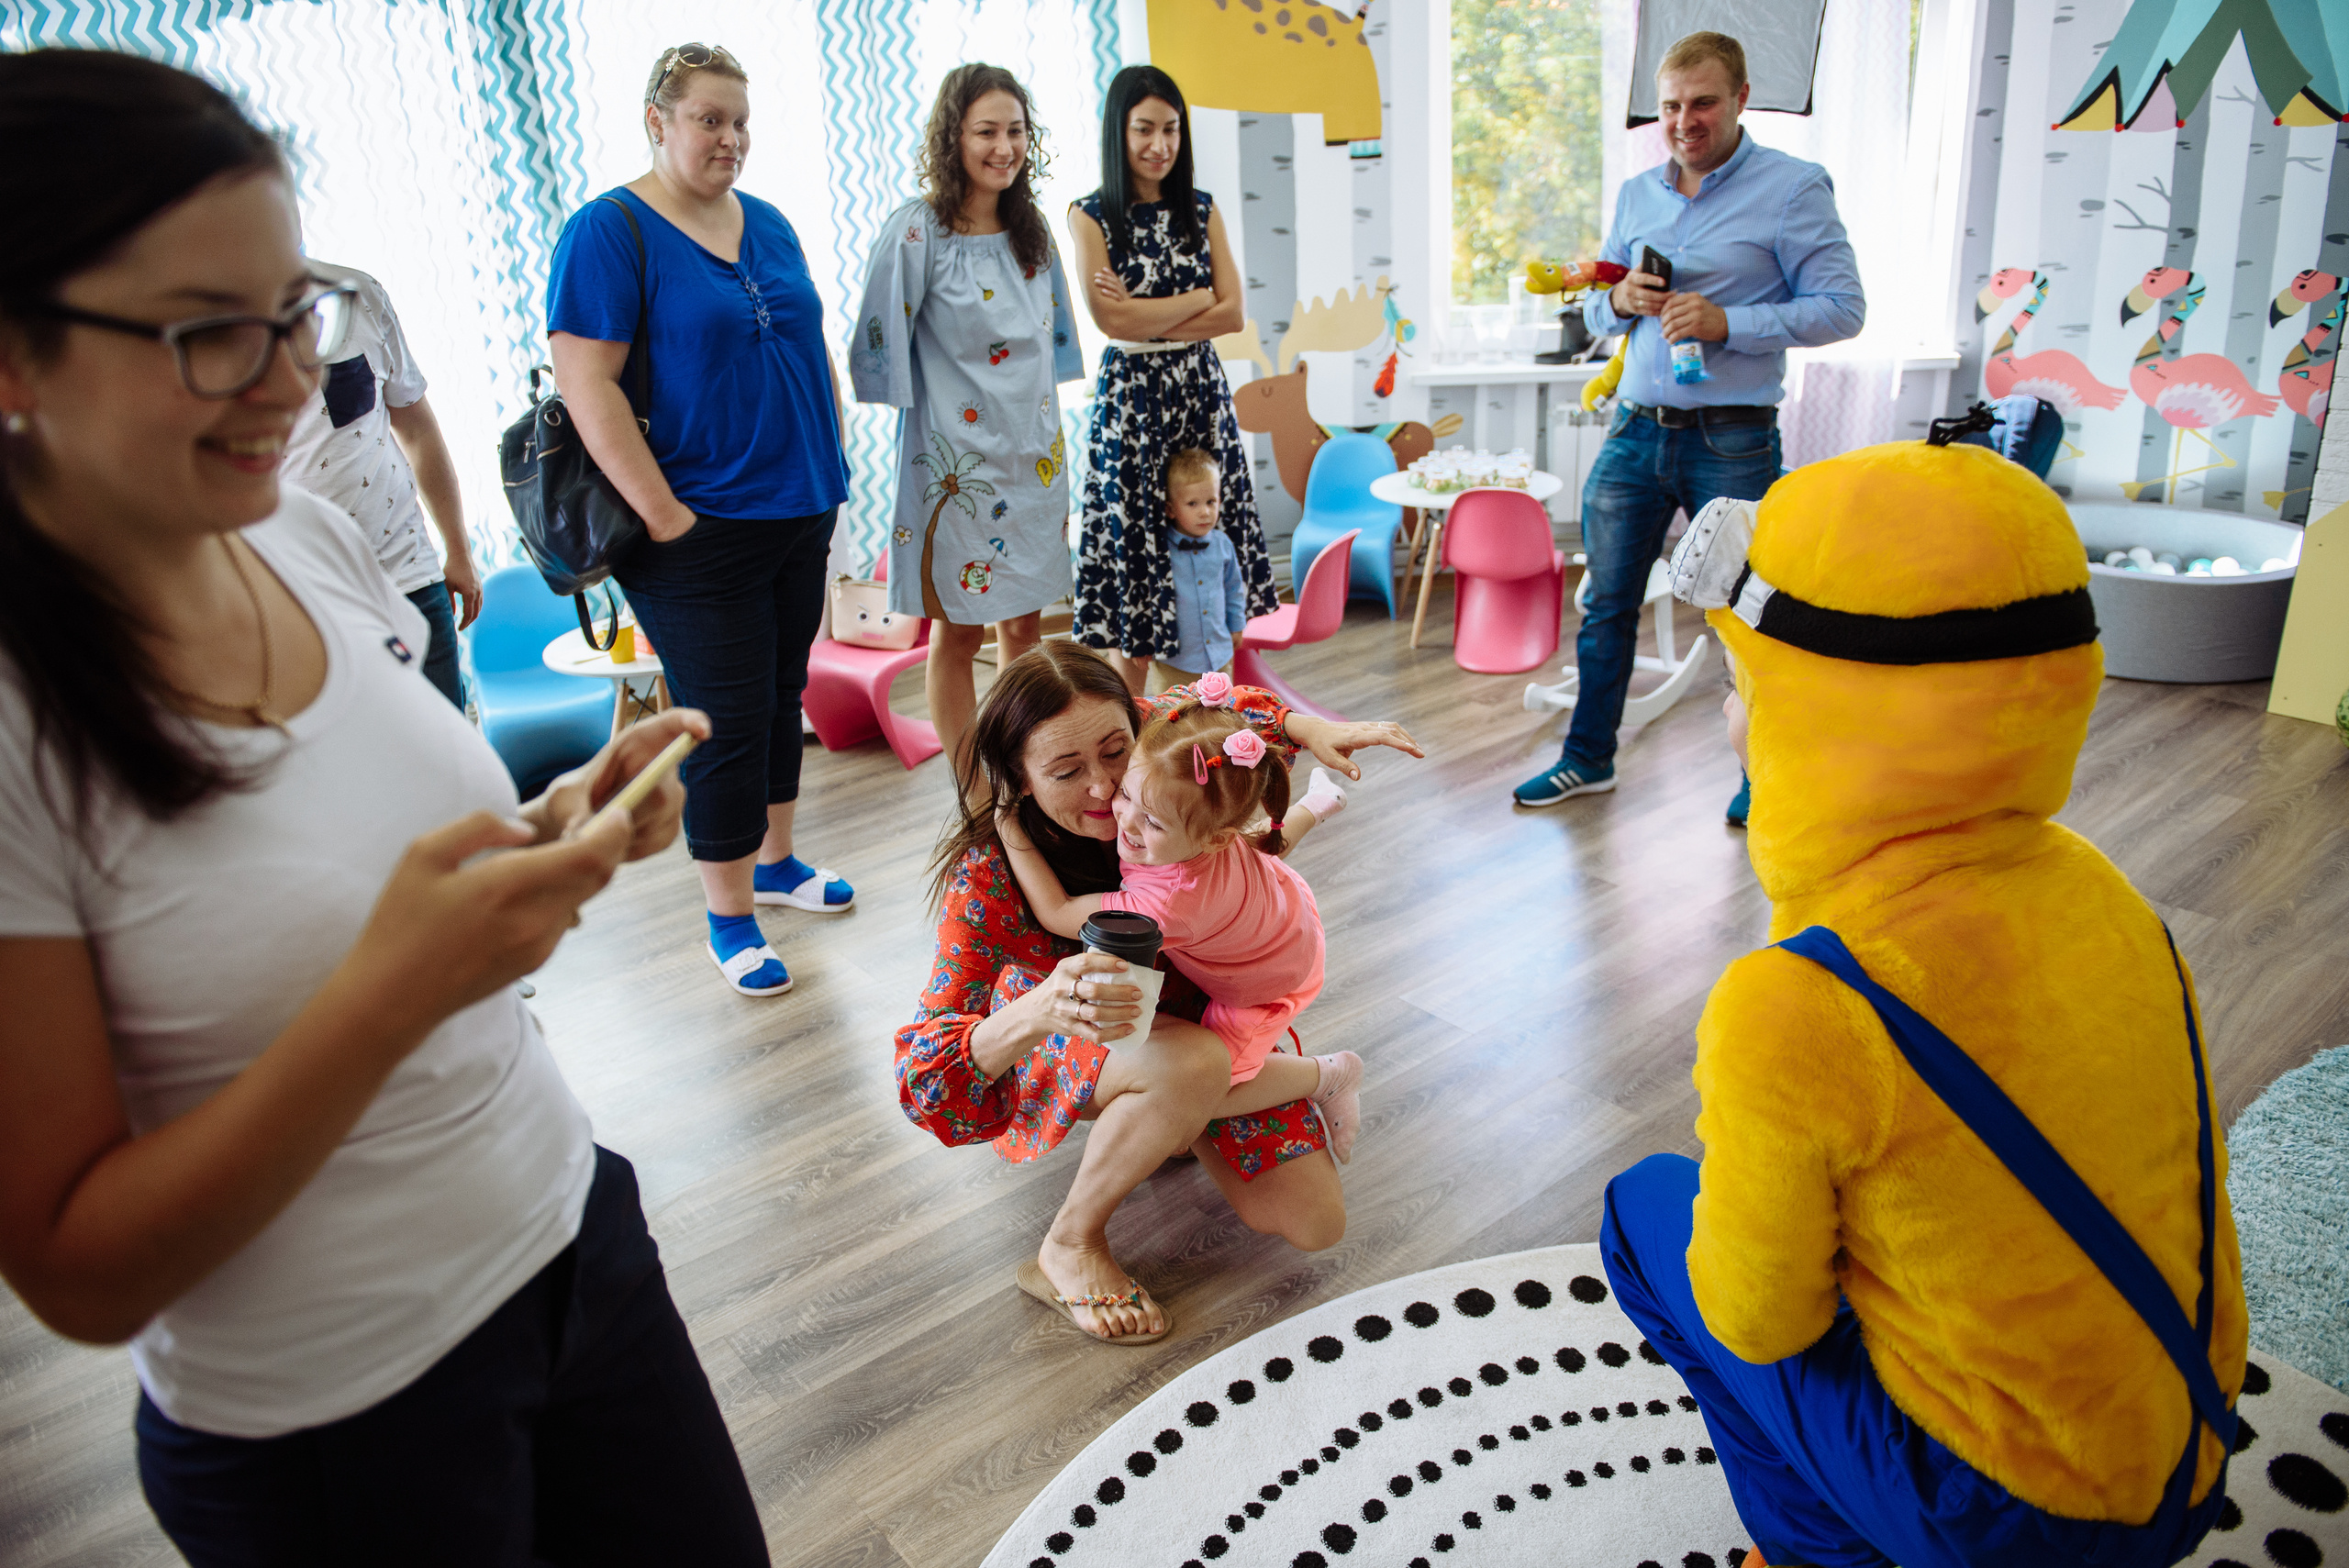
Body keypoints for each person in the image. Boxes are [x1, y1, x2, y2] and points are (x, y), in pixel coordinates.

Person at [0, 50, 765, 1564]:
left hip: (573, 1242)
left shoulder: (293, 525)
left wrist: (556, 827)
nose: (293, 383)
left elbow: (366, 857)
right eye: (210, 334)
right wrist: (401, 982)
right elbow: (78, 1268)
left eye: (296, 312)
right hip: (338, 1420)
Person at [1600, 441, 2245, 1568]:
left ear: (1815, 711)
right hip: (2184, 1458)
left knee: (1644, 1209)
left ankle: (1816, 1551)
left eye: (1743, 687)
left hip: (2007, 1527)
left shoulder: (1798, 1000)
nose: (1727, 719)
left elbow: (1762, 1321)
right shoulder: (2113, 898)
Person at [896, 644, 1419, 1342]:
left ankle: (1170, 1113)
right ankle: (1070, 1243)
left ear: (1137, 729)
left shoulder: (1160, 770)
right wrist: (1039, 1009)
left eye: (1116, 751)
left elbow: (1222, 728)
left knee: (1313, 1221)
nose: (1106, 789)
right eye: (1065, 771)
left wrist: (1301, 727)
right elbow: (923, 1076)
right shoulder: (991, 875)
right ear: (1016, 779)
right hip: (1089, 1030)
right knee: (1198, 1062)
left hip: (1204, 1012)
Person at [550, 42, 856, 1000]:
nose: (730, 138)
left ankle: (776, 861)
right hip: (699, 524)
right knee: (720, 722)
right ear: (658, 120)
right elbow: (584, 379)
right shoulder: (610, 229)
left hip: (799, 505)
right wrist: (664, 515)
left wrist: (833, 464)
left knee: (778, 696)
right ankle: (729, 915)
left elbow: (812, 353)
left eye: (740, 121)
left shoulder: (766, 223)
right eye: (709, 119)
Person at [1512, 30, 1863, 810]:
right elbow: (1603, 304)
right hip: (1634, 431)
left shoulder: (1795, 187)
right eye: (1671, 105)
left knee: (1747, 613)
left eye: (1702, 102)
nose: (1684, 120)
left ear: (1740, 100)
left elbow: (1844, 310)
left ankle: (1760, 775)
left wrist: (1727, 322)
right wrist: (1619, 301)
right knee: (1607, 603)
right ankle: (1588, 758)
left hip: (1732, 438)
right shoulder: (1638, 193)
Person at [996, 685, 1364, 1158]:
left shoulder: (1166, 905)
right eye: (1127, 793)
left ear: (1210, 840)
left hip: (1269, 982)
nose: (1125, 822)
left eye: (1152, 823)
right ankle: (1318, 804)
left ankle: (1329, 1074)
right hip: (1280, 904)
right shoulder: (1199, 827)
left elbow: (1058, 912)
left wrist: (1006, 825)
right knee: (1257, 843)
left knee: (1208, 1091)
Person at [852, 63, 1083, 783]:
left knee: (1024, 624)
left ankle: (1020, 770)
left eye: (1015, 131)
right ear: (953, 137)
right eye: (987, 131)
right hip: (955, 468)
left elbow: (1057, 338)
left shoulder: (1030, 229)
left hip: (1033, 456)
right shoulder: (916, 232)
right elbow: (878, 340)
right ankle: (971, 787)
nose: (1004, 147)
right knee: (956, 627)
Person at [1068, 65, 1274, 699]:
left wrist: (1149, 310)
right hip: (1132, 395)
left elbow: (1233, 312)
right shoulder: (1091, 214)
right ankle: (1128, 719)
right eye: (1144, 129)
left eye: (1171, 129)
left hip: (1197, 388)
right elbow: (1112, 320)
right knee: (1139, 539)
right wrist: (1195, 298)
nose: (1159, 144)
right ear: (1118, 132)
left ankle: (1215, 689)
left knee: (1203, 522)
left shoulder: (1201, 207)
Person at [282, 260, 481, 710]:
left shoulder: (355, 294)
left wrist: (458, 549)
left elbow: (418, 430)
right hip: (307, 604)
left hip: (411, 579)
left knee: (449, 757)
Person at [1158, 446, 1247, 685]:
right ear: (1170, 509)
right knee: (1173, 718)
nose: (1205, 512)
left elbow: (1233, 588)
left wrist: (1237, 625)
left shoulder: (1223, 544)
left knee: (1222, 715)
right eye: (1192, 504)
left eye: (1211, 501)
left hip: (1219, 655)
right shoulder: (1160, 550)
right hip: (1176, 662)